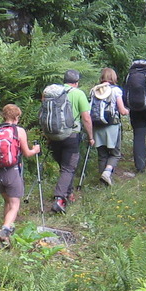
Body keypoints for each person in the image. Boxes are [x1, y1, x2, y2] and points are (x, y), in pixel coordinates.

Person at [38, 69, 95, 213]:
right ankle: (59, 199)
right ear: (77, 82)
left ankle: (68, 194)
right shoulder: (79, 94)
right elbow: (86, 118)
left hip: (53, 135)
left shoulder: (52, 93)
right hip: (71, 136)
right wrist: (91, 137)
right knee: (68, 168)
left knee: (64, 167)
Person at [0, 103, 42, 242]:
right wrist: (35, 150)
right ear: (16, 117)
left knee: (7, 201)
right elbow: (27, 153)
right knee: (15, 204)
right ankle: (5, 229)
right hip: (11, 172)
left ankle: (6, 238)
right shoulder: (19, 131)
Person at [89, 67, 129, 185]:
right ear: (113, 77)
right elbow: (122, 110)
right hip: (112, 126)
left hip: (96, 125)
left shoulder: (94, 90)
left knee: (102, 154)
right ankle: (107, 173)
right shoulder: (116, 90)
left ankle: (103, 182)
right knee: (115, 153)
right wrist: (127, 111)